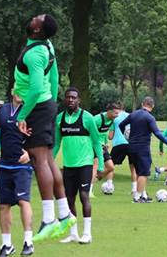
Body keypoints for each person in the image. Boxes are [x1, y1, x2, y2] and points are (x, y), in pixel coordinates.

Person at [14, 14, 75, 241]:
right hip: (46, 105)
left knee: (39, 161)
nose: (33, 17)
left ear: (37, 30)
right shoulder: (46, 45)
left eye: (37, 18)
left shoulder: (35, 54)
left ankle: (49, 219)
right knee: (48, 160)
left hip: (37, 108)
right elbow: (56, 75)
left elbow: (37, 87)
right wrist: (54, 101)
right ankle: (65, 214)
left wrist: (23, 114)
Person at [0, 94, 34, 256]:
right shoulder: (3, 110)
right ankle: (6, 245)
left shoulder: (30, 110)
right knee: (3, 205)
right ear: (13, 91)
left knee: (22, 201)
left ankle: (28, 242)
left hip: (22, 166)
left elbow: (43, 135)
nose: (21, 93)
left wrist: (30, 153)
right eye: (18, 89)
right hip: (4, 165)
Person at [53, 88, 103, 244]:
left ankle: (87, 233)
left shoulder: (87, 118)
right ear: (64, 100)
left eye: (74, 97)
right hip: (68, 166)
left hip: (85, 164)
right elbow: (56, 143)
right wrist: (49, 161)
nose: (70, 100)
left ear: (79, 100)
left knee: (84, 196)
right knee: (69, 199)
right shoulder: (59, 119)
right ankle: (73, 233)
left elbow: (96, 142)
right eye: (68, 97)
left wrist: (100, 164)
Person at [119, 97, 167, 203]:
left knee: (139, 172)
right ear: (152, 106)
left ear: (142, 104)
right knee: (143, 173)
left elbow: (121, 125)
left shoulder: (133, 114)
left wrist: (126, 136)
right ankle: (137, 197)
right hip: (142, 148)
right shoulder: (150, 117)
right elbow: (157, 133)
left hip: (131, 148)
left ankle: (143, 195)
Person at [91, 103, 121, 194]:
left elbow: (105, 133)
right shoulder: (97, 119)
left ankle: (89, 182)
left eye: (118, 113)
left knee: (110, 167)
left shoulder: (111, 121)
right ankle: (88, 191)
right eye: (115, 113)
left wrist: (106, 143)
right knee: (95, 167)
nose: (117, 115)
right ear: (109, 111)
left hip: (102, 146)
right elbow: (88, 131)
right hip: (93, 145)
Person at [108, 104, 137, 194]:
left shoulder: (114, 117)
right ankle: (134, 189)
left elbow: (110, 136)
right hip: (131, 144)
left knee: (110, 167)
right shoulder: (130, 116)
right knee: (133, 168)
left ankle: (109, 187)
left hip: (119, 144)